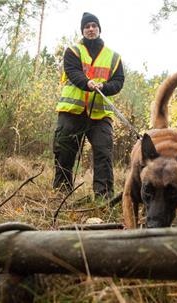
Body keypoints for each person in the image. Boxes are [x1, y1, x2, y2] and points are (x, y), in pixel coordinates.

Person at [53, 12, 124, 201]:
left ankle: (104, 197)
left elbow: (118, 82)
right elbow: (73, 72)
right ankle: (61, 194)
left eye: (94, 25)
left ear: (99, 29)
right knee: (64, 152)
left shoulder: (114, 57)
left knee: (103, 153)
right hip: (71, 112)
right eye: (87, 26)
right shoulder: (73, 51)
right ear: (82, 30)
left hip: (100, 115)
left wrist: (104, 87)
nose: (91, 29)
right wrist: (87, 83)